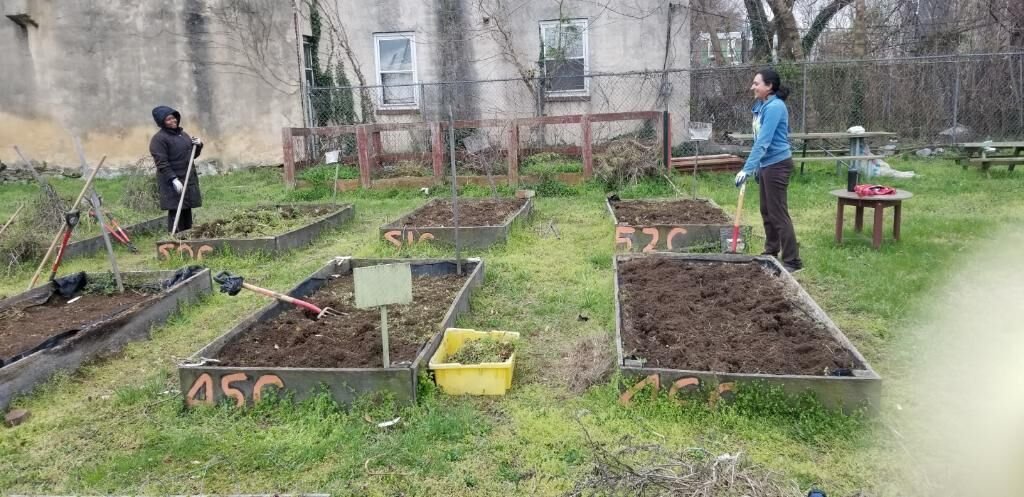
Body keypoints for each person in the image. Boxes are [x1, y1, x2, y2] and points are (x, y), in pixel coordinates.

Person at [734, 68, 803, 273]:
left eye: (756, 83)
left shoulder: (775, 107)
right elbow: (760, 139)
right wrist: (757, 167)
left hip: (777, 164)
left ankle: (792, 260)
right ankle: (771, 250)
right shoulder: (762, 106)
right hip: (767, 165)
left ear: (769, 86)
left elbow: (764, 141)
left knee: (778, 212)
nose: (752, 87)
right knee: (767, 210)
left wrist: (747, 169)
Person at [150, 105, 203, 233]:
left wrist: (198, 145)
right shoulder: (159, 139)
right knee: (176, 209)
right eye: (168, 119)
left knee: (186, 208)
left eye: (173, 118)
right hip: (172, 180)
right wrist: (173, 179)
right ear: (162, 122)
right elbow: (161, 163)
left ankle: (188, 235)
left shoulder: (183, 135)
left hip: (187, 177)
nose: (173, 121)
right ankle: (175, 237)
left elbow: (191, 156)